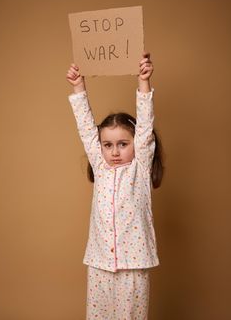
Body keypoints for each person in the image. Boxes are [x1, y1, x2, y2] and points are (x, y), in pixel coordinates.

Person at [66, 52, 164, 319]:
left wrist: (143, 81)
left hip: (134, 263)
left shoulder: (140, 167)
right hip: (99, 262)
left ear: (135, 145)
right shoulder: (100, 165)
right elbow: (86, 128)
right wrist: (78, 86)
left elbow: (145, 126)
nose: (115, 152)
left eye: (123, 144)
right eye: (108, 145)